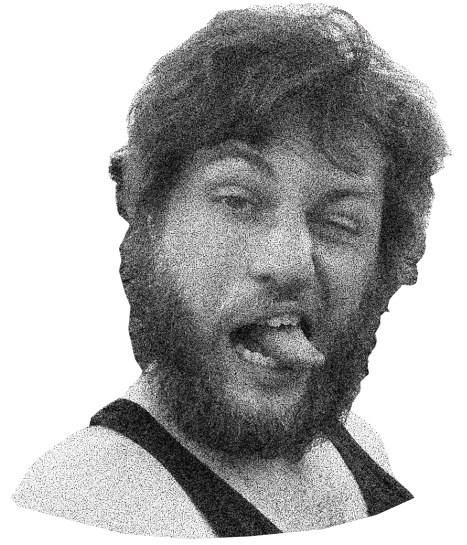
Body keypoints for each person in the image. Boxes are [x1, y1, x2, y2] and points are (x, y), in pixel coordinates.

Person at [11, 4, 451, 538]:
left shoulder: (357, 441)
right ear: (152, 217)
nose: (289, 263)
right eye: (238, 200)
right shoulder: (87, 498)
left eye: (340, 221)